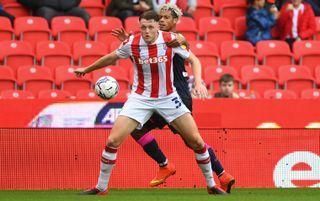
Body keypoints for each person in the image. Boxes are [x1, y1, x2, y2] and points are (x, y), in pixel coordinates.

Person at [75, 10, 227, 195]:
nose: (146, 31)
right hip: (140, 99)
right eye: (143, 27)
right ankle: (101, 187)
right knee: (113, 140)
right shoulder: (132, 43)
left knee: (196, 141)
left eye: (150, 27)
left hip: (169, 98)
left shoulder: (171, 40)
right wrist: (87, 69)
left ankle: (211, 186)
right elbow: (112, 57)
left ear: (157, 27)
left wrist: (197, 82)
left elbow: (194, 59)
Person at [111, 3, 235, 192]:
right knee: (192, 142)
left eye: (166, 17)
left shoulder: (175, 40)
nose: (161, 20)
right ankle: (222, 174)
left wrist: (199, 82)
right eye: (160, 17)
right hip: (171, 95)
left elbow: (188, 49)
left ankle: (164, 165)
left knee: (136, 129)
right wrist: (128, 42)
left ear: (176, 21)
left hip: (171, 96)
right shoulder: (158, 40)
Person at [18, 0, 91, 26]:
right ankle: (51, 41)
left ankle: (85, 42)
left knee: (84, 15)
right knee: (45, 14)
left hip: (69, 9)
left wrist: (72, 2)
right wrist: (40, 3)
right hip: (48, 9)